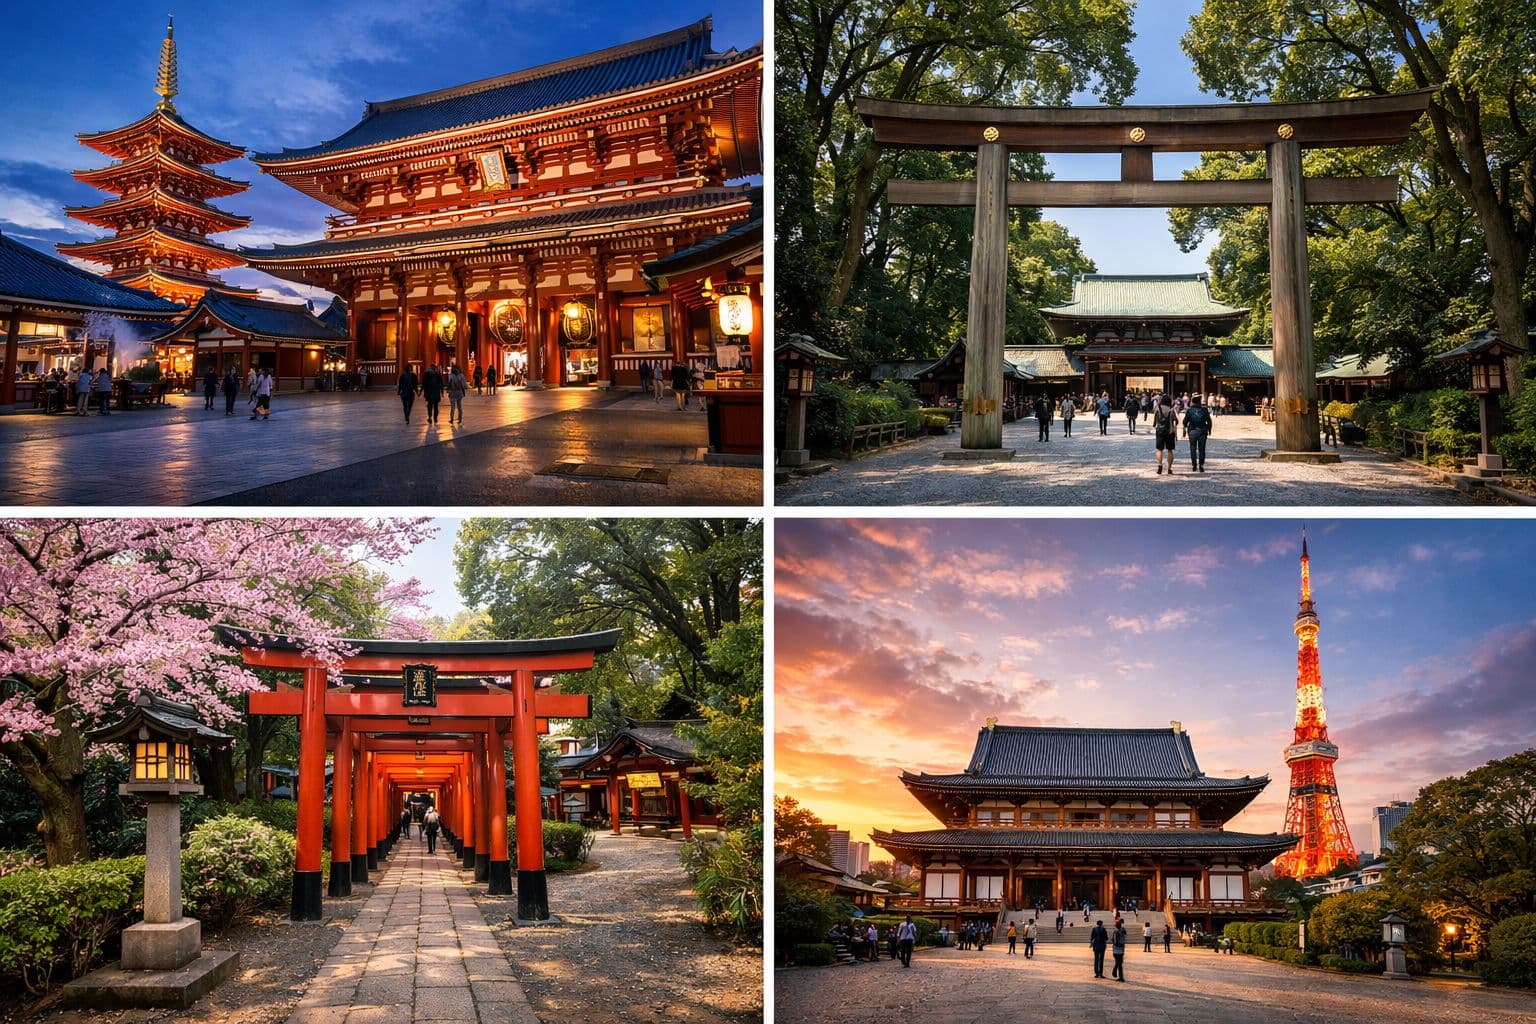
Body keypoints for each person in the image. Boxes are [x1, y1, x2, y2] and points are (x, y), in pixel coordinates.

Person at [1183, 394, 1213, 472]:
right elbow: (1209, 421)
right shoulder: (1204, 410)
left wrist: (1185, 428)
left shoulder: (1189, 410)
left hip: (1192, 430)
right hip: (1203, 431)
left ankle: (1194, 465)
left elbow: (1185, 421)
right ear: (1199, 402)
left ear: (1192, 402)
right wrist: (1209, 430)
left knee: (1193, 448)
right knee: (1202, 449)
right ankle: (1201, 465)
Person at [1153, 393, 1178, 474]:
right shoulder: (1171, 410)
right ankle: (1169, 469)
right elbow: (1176, 421)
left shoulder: (1158, 408)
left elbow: (1155, 421)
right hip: (1170, 432)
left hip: (1160, 431)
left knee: (1159, 449)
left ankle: (1160, 465)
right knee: (1170, 450)